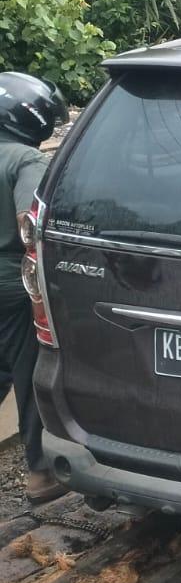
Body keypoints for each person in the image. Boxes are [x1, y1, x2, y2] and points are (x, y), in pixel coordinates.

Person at [0, 72, 66, 504]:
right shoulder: (24, 160)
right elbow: (32, 223)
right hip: (11, 286)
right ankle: (41, 473)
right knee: (30, 373)